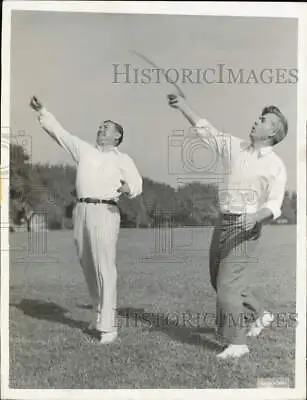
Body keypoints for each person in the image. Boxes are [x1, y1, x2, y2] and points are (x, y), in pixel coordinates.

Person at [168, 94, 288, 359]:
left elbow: (275, 204)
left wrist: (256, 217)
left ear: (274, 132)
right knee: (218, 279)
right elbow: (207, 131)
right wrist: (183, 106)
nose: (257, 121)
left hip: (246, 227)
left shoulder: (275, 165)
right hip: (223, 222)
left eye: (264, 120)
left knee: (227, 285)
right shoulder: (236, 146)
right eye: (259, 117)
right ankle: (260, 314)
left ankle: (237, 343)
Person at [30, 96, 142, 344]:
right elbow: (61, 134)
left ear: (117, 137)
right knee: (87, 265)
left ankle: (109, 326)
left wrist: (128, 189)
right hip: (81, 211)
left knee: (105, 267)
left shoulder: (123, 160)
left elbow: (137, 184)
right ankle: (99, 313)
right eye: (100, 126)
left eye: (107, 127)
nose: (101, 129)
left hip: (106, 211)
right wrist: (43, 112)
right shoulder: (85, 151)